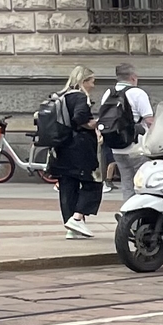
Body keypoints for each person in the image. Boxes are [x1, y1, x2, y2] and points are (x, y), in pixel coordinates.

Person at [48, 66, 103, 239]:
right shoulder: (80, 97)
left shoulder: (60, 96)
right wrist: (92, 124)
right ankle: (78, 218)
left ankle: (71, 229)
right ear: (83, 81)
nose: (93, 85)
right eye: (92, 81)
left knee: (67, 187)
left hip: (61, 147)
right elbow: (79, 118)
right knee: (93, 183)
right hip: (80, 147)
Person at [97, 62, 154, 189]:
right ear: (133, 77)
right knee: (142, 183)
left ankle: (128, 207)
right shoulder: (137, 93)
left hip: (115, 145)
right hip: (137, 145)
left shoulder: (108, 93)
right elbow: (149, 120)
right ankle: (142, 208)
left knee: (127, 181)